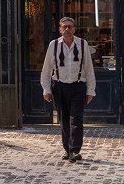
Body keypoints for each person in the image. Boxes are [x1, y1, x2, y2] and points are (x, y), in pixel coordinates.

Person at [40, 17, 96, 163]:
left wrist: (91, 90)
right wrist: (46, 89)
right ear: (59, 29)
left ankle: (74, 150)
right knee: (64, 119)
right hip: (59, 86)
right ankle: (67, 149)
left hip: (78, 86)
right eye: (64, 27)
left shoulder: (83, 44)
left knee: (75, 118)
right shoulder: (54, 45)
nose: (67, 29)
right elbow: (47, 69)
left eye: (70, 27)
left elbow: (89, 69)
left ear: (74, 29)